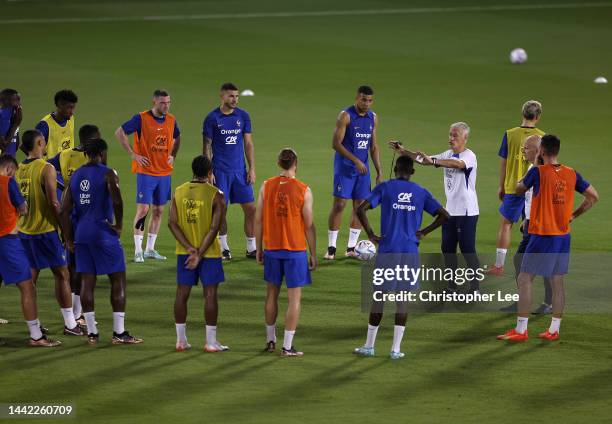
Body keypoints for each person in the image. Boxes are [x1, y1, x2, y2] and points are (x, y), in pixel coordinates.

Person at [497, 135, 598, 342]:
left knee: (525, 279)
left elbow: (518, 188)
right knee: (557, 282)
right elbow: (593, 196)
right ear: (557, 150)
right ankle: (553, 330)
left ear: (542, 151)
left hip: (542, 235)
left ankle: (521, 330)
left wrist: (535, 164)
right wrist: (573, 215)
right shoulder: (571, 173)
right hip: (563, 236)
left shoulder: (538, 172)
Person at [354, 156, 448, 359]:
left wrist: (371, 234)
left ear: (395, 168)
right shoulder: (421, 192)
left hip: (388, 251)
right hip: (409, 252)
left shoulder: (385, 187)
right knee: (402, 301)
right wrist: (423, 232)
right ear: (412, 172)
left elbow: (360, 209)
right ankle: (395, 350)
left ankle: (369, 346)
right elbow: (444, 215)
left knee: (378, 298)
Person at [61, 139, 143, 345]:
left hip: (81, 234)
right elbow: (117, 199)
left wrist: (69, 238)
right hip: (102, 231)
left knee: (88, 282)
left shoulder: (76, 175)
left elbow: (64, 209)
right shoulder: (108, 173)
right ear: (102, 153)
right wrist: (119, 224)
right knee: (118, 279)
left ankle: (92, 332)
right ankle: (119, 332)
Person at [389, 122, 480, 293]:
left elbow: (457, 164)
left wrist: (435, 161)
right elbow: (424, 160)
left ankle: (475, 288)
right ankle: (452, 286)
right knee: (447, 249)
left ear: (465, 138)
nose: (451, 138)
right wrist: (403, 151)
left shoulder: (469, 156)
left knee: (467, 250)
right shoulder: (447, 154)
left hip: (467, 212)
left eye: (455, 135)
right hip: (450, 211)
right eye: (450, 134)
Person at [16, 130, 82, 336]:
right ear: (38, 143)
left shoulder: (18, 170)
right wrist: (65, 231)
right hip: (45, 230)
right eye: (43, 142)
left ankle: (34, 328)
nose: (45, 145)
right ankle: (70, 324)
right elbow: (54, 204)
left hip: (24, 231)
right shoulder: (46, 168)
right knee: (62, 274)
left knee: (30, 282)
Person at [255, 148, 316, 357]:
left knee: (271, 294)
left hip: (271, 249)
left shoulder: (266, 186)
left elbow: (258, 219)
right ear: (295, 164)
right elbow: (308, 225)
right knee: (294, 300)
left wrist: (258, 248)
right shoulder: (303, 190)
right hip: (295, 251)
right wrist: (314, 253)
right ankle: (287, 346)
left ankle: (270, 341)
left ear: (279, 163)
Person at [168, 155, 228, 352]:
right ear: (210, 173)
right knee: (210, 294)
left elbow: (172, 223)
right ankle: (210, 342)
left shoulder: (179, 192)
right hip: (208, 253)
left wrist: (189, 249)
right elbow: (214, 228)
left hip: (184, 253)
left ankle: (180, 341)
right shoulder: (216, 195)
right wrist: (200, 253)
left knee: (181, 293)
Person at [0, 154, 61, 346]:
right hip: (7, 241)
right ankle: (36, 336)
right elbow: (24, 209)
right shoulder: (8, 183)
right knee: (27, 287)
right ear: (10, 169)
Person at [115, 89, 181, 263]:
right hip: (146, 173)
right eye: (163, 103)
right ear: (154, 102)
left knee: (159, 210)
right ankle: (138, 250)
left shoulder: (172, 120)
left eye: (168, 102)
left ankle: (150, 249)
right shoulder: (141, 118)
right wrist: (133, 154)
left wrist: (173, 154)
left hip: (164, 173)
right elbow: (119, 132)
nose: (166, 106)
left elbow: (177, 137)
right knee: (144, 210)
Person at [49, 124, 102, 325]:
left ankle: (74, 315)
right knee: (83, 267)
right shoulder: (93, 158)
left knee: (73, 265)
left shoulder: (64, 155)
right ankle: (76, 315)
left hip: (69, 216)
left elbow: (47, 168)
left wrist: (64, 186)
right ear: (90, 140)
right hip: (85, 217)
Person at [325, 85, 382, 260]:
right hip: (345, 169)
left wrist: (379, 171)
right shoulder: (346, 116)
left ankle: (351, 248)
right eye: (364, 99)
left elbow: (373, 146)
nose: (367, 103)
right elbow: (336, 143)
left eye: (370, 100)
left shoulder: (373, 118)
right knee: (340, 204)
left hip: (363, 171)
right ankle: (332, 247)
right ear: (357, 98)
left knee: (360, 208)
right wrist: (355, 160)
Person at [489, 100, 544, 275]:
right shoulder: (542, 136)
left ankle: (499, 266)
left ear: (523, 114)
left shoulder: (509, 134)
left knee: (506, 225)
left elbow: (504, 163)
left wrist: (501, 186)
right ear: (537, 117)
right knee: (532, 227)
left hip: (514, 187)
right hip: (534, 188)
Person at [202, 82, 256, 260]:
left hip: (240, 172)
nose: (235, 99)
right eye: (231, 96)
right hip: (220, 172)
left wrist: (252, 168)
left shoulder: (243, 116)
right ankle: (224, 247)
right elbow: (207, 146)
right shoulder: (212, 118)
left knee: (251, 209)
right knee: (221, 211)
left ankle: (251, 248)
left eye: (237, 96)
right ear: (222, 96)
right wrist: (209, 172)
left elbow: (248, 143)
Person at [501, 135, 553, 314]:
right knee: (520, 260)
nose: (523, 150)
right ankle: (522, 300)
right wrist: (526, 218)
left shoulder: (544, 171)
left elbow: (521, 189)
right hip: (530, 223)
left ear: (538, 150)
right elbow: (531, 197)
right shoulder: (533, 168)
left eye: (526, 148)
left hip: (542, 226)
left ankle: (548, 303)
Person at [35, 89, 78, 159]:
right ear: (59, 105)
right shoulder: (45, 125)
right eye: (69, 108)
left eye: (73, 108)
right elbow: (25, 146)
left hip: (67, 167)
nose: (72, 112)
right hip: (51, 169)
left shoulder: (70, 119)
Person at [0, 89, 22, 157]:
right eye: (16, 100)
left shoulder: (13, 115)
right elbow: (3, 145)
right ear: (4, 101)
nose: (19, 103)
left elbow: (16, 144)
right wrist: (16, 124)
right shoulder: (2, 116)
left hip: (9, 162)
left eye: (19, 100)